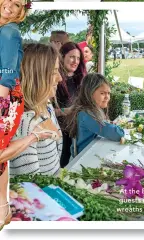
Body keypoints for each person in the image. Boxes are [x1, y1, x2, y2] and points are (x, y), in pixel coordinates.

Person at [9, 43, 63, 177]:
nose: (60, 78)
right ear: (36, 76)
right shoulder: (23, 124)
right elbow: (30, 186)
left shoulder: (46, 106)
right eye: (54, 72)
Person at [0, 0, 31, 231]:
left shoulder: (9, 32)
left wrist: (1, 104)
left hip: (5, 98)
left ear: (21, 11)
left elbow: (6, 74)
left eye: (17, 4)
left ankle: (2, 209)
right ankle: (3, 208)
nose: (9, 5)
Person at [66, 73, 125, 158]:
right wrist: (120, 130)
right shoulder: (87, 115)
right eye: (102, 93)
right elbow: (117, 134)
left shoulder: (91, 111)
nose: (107, 97)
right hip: (83, 160)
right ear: (89, 93)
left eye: (108, 93)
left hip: (89, 154)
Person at [56, 42, 86, 168]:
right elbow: (48, 110)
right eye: (72, 57)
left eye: (78, 58)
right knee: (61, 164)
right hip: (59, 133)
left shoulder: (80, 78)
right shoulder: (55, 79)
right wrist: (69, 110)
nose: (76, 61)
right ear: (62, 56)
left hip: (76, 131)